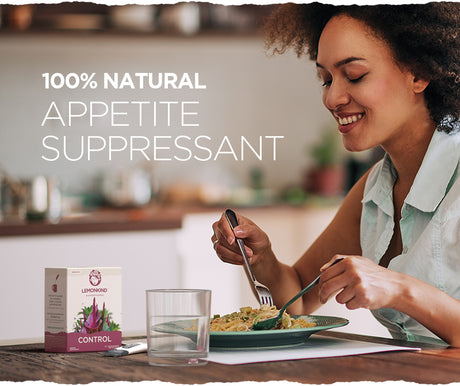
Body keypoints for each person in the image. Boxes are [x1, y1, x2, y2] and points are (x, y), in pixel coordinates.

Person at [211, 2, 460, 346]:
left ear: (417, 73)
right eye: (326, 79)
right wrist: (262, 258)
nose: (331, 97)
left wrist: (398, 289)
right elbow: (298, 301)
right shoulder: (376, 187)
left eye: (354, 75)